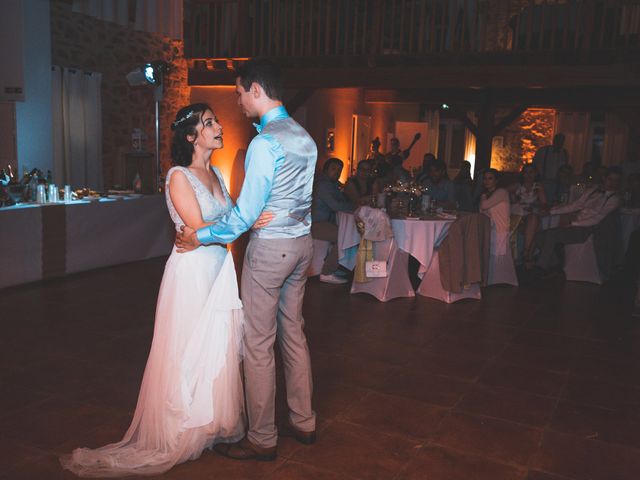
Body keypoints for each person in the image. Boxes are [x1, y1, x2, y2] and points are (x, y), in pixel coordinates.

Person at [60, 103, 273, 477]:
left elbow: (225, 219)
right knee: (187, 348)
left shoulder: (217, 175)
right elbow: (198, 225)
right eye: (209, 123)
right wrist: (245, 219)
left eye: (216, 121)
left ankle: (207, 424)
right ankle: (179, 428)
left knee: (215, 347)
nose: (219, 126)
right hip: (191, 274)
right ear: (191, 136)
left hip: (218, 269)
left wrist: (248, 216)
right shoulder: (178, 176)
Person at [176, 59, 318, 461]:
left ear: (256, 89)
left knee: (258, 344)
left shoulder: (265, 142)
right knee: (294, 332)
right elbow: (296, 201)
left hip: (272, 249)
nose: (237, 101)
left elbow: (242, 217)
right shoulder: (304, 137)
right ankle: (304, 422)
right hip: (302, 245)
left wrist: (199, 235)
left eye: (239, 92)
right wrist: (262, 212)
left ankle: (262, 436)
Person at [534, 167, 623, 271]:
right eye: (610, 179)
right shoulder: (593, 190)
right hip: (577, 223)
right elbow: (575, 205)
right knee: (539, 236)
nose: (613, 183)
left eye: (616, 180)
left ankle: (541, 268)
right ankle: (554, 264)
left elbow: (598, 218)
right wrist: (550, 212)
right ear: (604, 178)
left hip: (590, 229)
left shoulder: (614, 198)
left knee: (551, 234)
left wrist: (573, 223)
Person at [312, 157, 355, 284]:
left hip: (324, 222)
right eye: (333, 169)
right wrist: (356, 207)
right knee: (344, 236)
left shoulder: (332, 185)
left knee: (346, 233)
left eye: (339, 170)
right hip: (316, 224)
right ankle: (327, 272)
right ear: (326, 170)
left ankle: (333, 267)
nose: (337, 172)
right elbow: (336, 205)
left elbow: (342, 201)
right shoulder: (323, 185)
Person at [510, 163, 547, 269]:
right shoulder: (517, 186)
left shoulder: (538, 187)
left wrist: (533, 206)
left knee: (533, 218)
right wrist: (513, 198)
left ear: (535, 174)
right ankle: (528, 257)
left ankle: (526, 252)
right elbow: (501, 192)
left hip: (530, 214)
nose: (528, 175)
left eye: (531, 172)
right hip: (517, 215)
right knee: (532, 224)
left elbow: (544, 204)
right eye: (526, 172)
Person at [480, 168, 511, 258]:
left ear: (496, 180)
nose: (486, 181)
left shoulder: (501, 192)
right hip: (489, 231)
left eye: (490, 178)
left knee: (497, 261)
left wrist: (483, 196)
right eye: (485, 178)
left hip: (500, 231)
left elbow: (484, 206)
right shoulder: (486, 194)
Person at [532, 133, 568, 201]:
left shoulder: (564, 153)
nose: (559, 143)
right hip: (544, 181)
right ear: (554, 140)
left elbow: (565, 168)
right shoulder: (543, 151)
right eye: (558, 140)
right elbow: (534, 165)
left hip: (559, 183)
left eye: (562, 141)